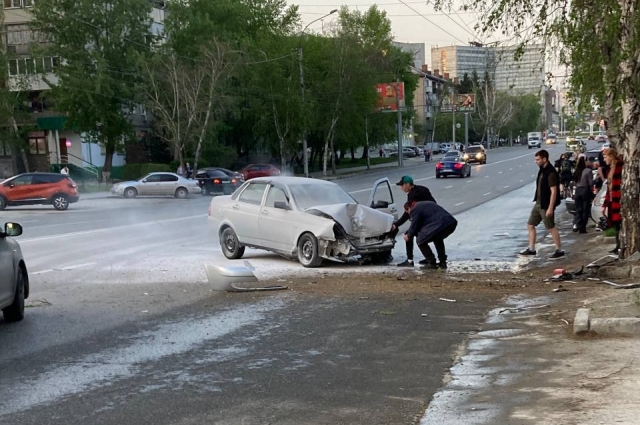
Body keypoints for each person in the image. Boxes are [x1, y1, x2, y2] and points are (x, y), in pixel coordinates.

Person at [520, 149, 564, 259]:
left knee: (550, 227)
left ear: (545, 159)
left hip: (546, 205)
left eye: (538, 159)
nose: (536, 161)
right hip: (538, 203)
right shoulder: (542, 170)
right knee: (531, 224)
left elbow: (554, 192)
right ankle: (531, 249)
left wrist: (550, 208)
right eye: (536, 159)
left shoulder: (551, 172)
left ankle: (559, 250)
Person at [391, 175, 438, 268]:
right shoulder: (423, 189)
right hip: (433, 217)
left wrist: (396, 224)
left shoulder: (412, 194)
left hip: (424, 219)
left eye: (402, 185)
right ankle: (433, 258)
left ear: (408, 184)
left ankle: (410, 260)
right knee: (429, 237)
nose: (401, 188)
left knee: (409, 235)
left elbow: (409, 212)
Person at [404, 201, 458, 270]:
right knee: (437, 238)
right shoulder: (423, 205)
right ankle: (442, 262)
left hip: (439, 224)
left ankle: (431, 262)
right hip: (450, 222)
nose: (409, 214)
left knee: (420, 240)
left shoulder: (414, 209)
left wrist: (408, 235)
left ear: (408, 208)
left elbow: (414, 224)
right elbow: (420, 224)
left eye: (407, 212)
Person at [602, 147, 623, 255]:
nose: (604, 159)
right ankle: (618, 246)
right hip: (611, 200)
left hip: (617, 200)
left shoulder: (618, 168)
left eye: (605, 157)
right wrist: (605, 205)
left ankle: (620, 246)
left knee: (618, 223)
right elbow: (608, 188)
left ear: (611, 157)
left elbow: (619, 185)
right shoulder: (610, 169)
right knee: (615, 224)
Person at [572, 155, 594, 233]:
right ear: (585, 161)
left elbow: (574, 182)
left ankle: (577, 223)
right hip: (585, 190)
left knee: (578, 209)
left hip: (578, 190)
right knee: (585, 209)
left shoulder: (576, 170)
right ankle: (582, 227)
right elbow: (591, 183)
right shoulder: (588, 171)